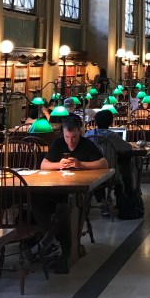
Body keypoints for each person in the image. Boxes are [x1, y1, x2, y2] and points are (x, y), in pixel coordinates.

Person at [36, 115, 108, 273]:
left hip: (77, 191)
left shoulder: (86, 144)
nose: (70, 141)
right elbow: (44, 165)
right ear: (63, 134)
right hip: (57, 187)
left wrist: (80, 164)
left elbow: (103, 163)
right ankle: (53, 243)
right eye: (67, 137)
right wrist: (58, 165)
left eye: (74, 137)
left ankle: (58, 246)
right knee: (36, 202)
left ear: (80, 132)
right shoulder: (58, 143)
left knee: (64, 207)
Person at [86, 109, 133, 215]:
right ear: (110, 122)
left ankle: (102, 201)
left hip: (90, 172)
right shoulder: (112, 136)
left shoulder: (88, 135)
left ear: (96, 122)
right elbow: (127, 148)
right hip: (110, 173)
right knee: (125, 164)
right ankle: (123, 198)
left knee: (99, 173)